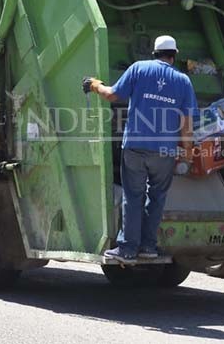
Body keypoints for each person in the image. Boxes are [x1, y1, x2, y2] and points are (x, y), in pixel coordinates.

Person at [82, 35, 197, 264]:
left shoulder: (139, 69)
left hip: (135, 146)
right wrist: (188, 152)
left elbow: (112, 95)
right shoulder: (183, 81)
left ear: (154, 53)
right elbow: (187, 123)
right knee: (157, 197)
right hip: (164, 151)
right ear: (174, 56)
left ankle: (127, 249)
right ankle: (148, 247)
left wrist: (94, 85)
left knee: (133, 196)